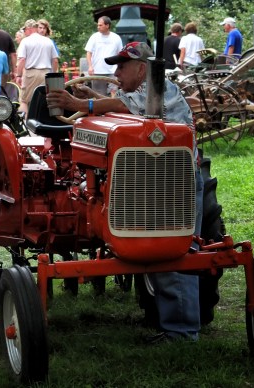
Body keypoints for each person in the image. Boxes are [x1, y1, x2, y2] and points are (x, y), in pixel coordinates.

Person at [46, 41, 201, 341]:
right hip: (147, 174)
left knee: (174, 249)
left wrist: (80, 106)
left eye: (122, 66)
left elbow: (121, 106)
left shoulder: (160, 88)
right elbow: (123, 105)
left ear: (142, 68)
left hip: (173, 179)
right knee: (160, 249)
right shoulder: (137, 95)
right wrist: (91, 97)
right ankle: (175, 325)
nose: (116, 72)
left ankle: (183, 331)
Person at [15, 19, 59, 114]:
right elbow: (55, 60)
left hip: (31, 73)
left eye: (25, 30)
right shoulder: (48, 41)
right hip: (46, 73)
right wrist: (53, 75)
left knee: (24, 100)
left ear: (29, 29)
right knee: (45, 99)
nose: (25, 32)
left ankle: (25, 124)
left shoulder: (25, 41)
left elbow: (22, 60)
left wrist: (18, 75)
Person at [84, 16, 123, 97]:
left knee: (114, 92)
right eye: (98, 25)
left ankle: (113, 108)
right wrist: (90, 66)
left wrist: (120, 68)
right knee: (99, 95)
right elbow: (88, 53)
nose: (98, 27)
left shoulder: (116, 38)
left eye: (100, 25)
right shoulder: (94, 37)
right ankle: (101, 109)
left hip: (113, 71)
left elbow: (120, 54)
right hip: (97, 71)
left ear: (107, 25)